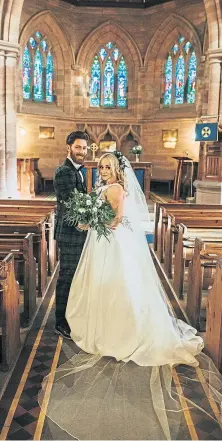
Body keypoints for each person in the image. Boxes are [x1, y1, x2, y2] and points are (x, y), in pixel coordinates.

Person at [40, 152, 222, 440]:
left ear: (116, 170)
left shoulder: (116, 189)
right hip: (101, 243)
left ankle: (121, 330)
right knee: (97, 284)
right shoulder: (101, 187)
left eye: (107, 167)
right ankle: (97, 322)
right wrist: (89, 221)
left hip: (113, 243)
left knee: (117, 285)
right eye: (100, 166)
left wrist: (93, 221)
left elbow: (117, 220)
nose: (103, 170)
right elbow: (102, 216)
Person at [53, 130, 88, 339]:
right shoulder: (64, 171)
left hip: (76, 233)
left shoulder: (77, 171)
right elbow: (69, 205)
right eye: (77, 147)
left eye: (84, 148)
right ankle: (60, 322)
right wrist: (83, 223)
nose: (81, 151)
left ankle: (70, 315)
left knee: (75, 276)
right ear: (69, 148)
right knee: (67, 277)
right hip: (70, 233)